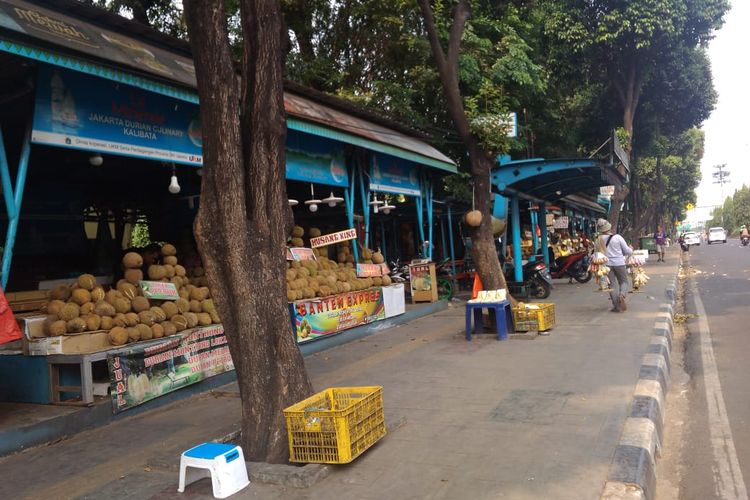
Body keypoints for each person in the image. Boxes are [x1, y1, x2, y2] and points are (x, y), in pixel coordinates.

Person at [596, 218, 633, 313]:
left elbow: (596, 254)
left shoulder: (598, 240)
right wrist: (631, 249)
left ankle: (616, 306)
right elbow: (627, 251)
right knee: (624, 281)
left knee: (611, 285)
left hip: (606, 266)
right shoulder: (618, 237)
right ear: (609, 228)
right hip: (619, 263)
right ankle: (622, 295)